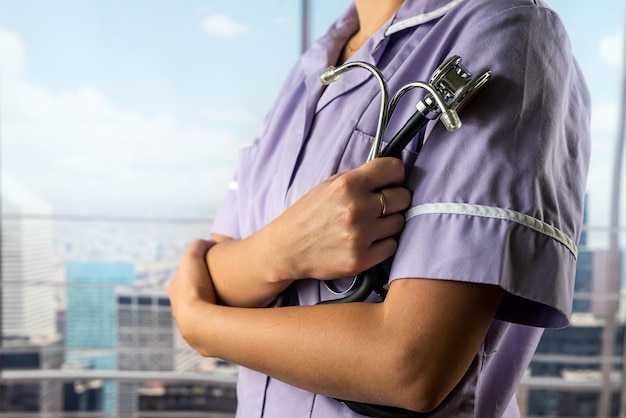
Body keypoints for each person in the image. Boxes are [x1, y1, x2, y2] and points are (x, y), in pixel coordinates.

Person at [167, 0, 591, 416]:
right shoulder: (311, 69)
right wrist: (283, 250)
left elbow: (409, 364)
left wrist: (201, 326)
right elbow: (212, 273)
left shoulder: (506, 29)